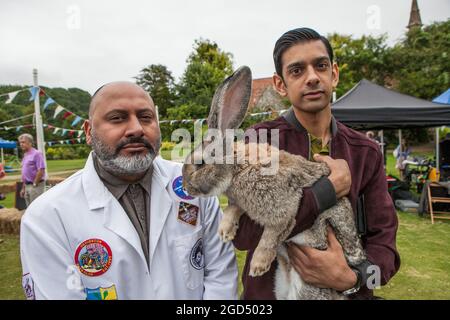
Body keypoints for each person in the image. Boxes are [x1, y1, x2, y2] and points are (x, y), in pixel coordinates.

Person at [20, 82, 238, 300]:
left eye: (146, 117)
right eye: (117, 118)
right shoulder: (46, 216)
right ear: (88, 131)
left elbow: (220, 274)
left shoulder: (193, 186)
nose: (136, 129)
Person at [233, 28, 400, 299]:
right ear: (280, 84)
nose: (312, 78)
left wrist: (353, 278)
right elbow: (244, 235)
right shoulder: (260, 142)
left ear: (333, 74)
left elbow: (385, 244)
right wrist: (323, 193)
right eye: (297, 71)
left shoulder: (365, 152)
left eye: (320, 66)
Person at [18, 134, 46, 207]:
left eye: (23, 142)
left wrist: (35, 184)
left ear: (30, 143)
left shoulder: (37, 154)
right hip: (27, 185)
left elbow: (41, 169)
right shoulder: (25, 155)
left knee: (36, 208)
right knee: (29, 210)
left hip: (35, 185)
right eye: (20, 142)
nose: (21, 144)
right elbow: (25, 174)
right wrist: (23, 188)